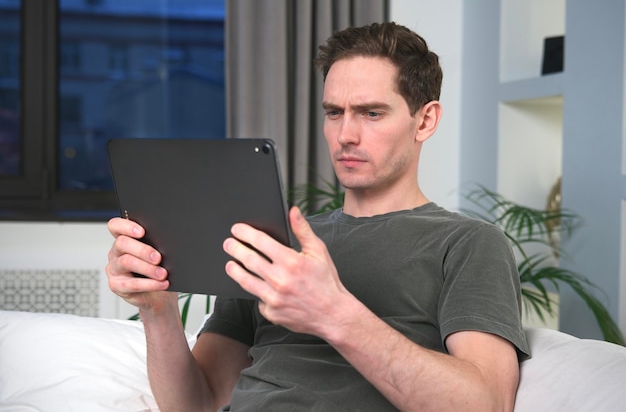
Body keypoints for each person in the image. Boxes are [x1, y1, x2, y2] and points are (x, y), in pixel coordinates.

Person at [106, 22, 530, 411]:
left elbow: (486, 403)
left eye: (371, 113)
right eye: (334, 112)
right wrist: (157, 309)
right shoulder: (272, 244)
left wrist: (333, 313)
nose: (346, 134)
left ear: (425, 120)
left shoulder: (468, 243)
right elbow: (196, 403)